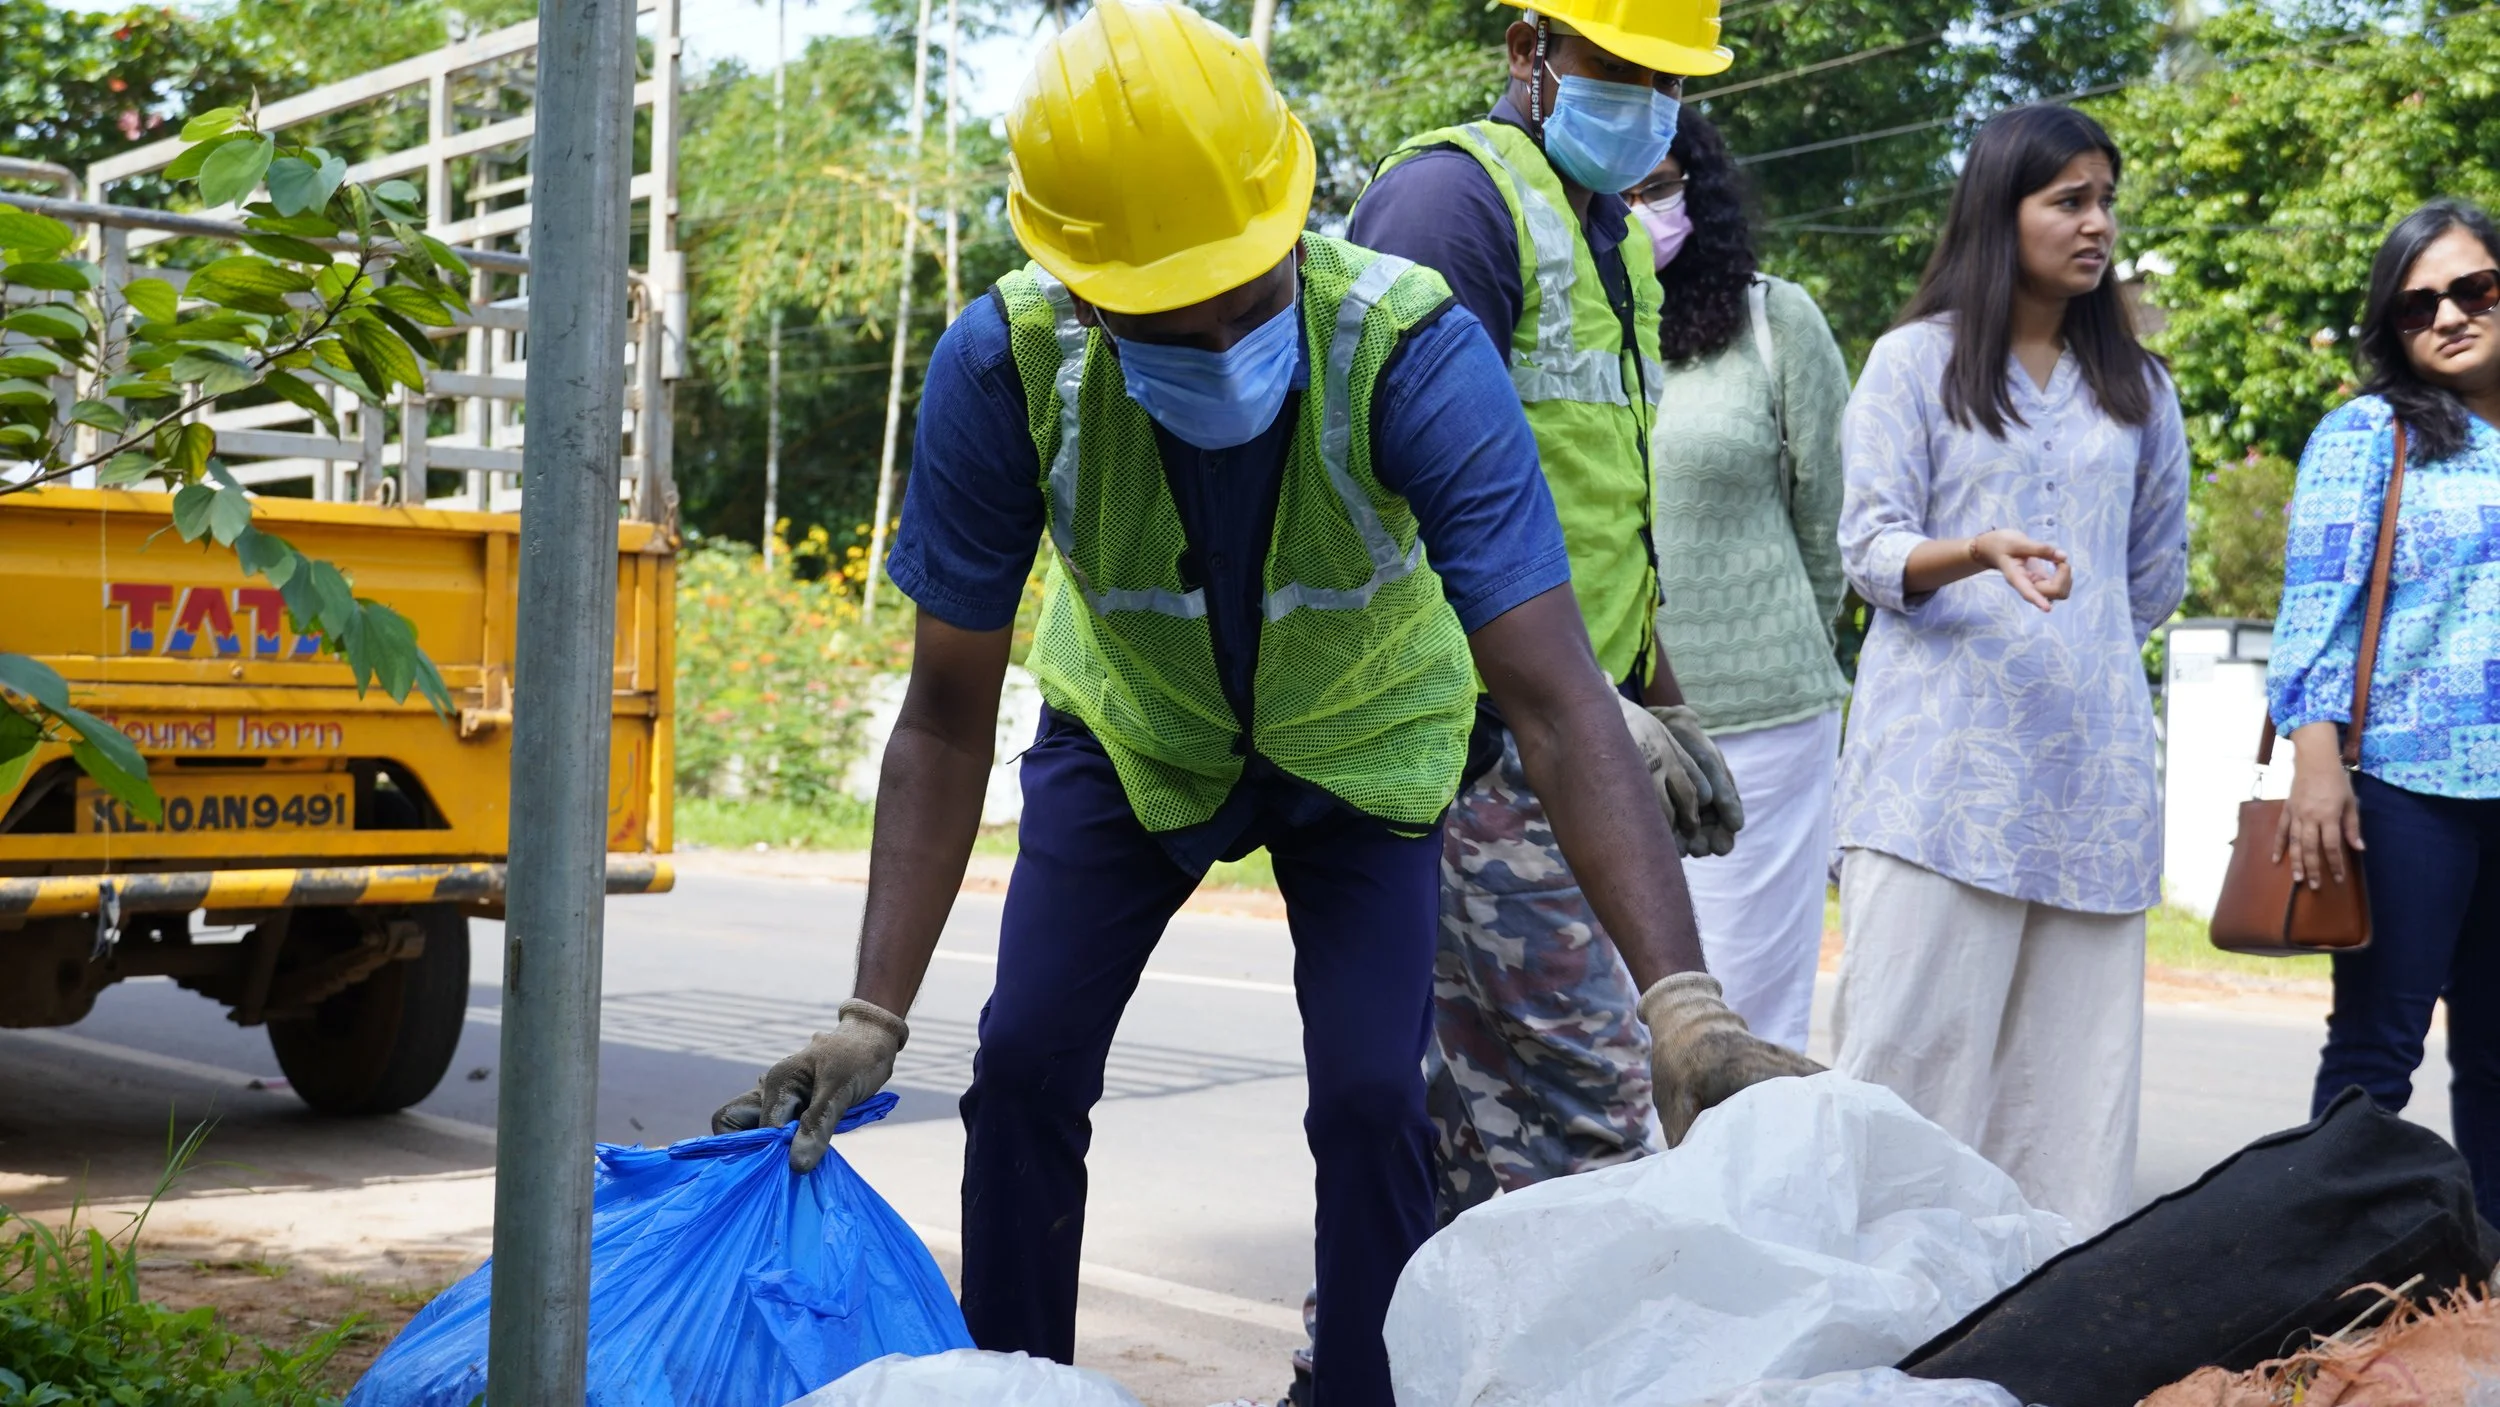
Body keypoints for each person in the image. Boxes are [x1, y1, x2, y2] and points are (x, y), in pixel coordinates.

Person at [708, 7, 1813, 1403]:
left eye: (1248, 295)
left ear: (1291, 223)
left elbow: (1550, 693)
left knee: (1370, 1101)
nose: (1224, 344)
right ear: (1083, 284)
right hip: (1136, 740)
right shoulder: (1004, 368)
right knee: (1025, 1068)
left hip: (1365, 746)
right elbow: (941, 715)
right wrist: (873, 1007)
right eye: (1171, 320)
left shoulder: (1405, 349)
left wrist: (1685, 1005)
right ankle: (1009, 1386)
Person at [1347, 0, 1780, 1229]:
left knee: (1458, 1130)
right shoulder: (1449, 208)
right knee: (1592, 1115)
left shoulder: (1611, 238)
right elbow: (1396, 508)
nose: (1645, 100)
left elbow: (1605, 516)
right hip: (1472, 743)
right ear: (1526, 50)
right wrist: (1586, 707)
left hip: (1570, 741)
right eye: (1618, 65)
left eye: (1668, 78)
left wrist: (1661, 701)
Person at [1829, 104, 2189, 1234]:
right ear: (2002, 210)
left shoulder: (2140, 387)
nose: (2097, 225)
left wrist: (2069, 661)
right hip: (1935, 788)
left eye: (2104, 200)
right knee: (1902, 1087)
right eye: (2068, 200)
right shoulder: (1912, 363)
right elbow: (1867, 550)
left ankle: (2039, 1355)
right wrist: (1975, 551)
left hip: (2089, 791)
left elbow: (2153, 571)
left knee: (2065, 1115)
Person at [2269, 198, 2500, 1215]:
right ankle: (2317, 1282)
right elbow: (2314, 610)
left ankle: (2482, 1298)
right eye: (2417, 305)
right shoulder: (2372, 435)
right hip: (2407, 785)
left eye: (2473, 289)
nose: (2447, 314)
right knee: (2375, 1057)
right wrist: (2317, 765)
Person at [1637, 111, 1853, 1053]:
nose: (1641, 210)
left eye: (1660, 187)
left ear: (1701, 190)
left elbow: (1828, 525)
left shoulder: (1777, 320)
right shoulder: (1563, 328)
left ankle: (1749, 1204)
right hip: (1605, 723)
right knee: (1619, 1022)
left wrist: (1769, 645)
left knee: (1750, 1009)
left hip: (1764, 724)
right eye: (1620, 195)